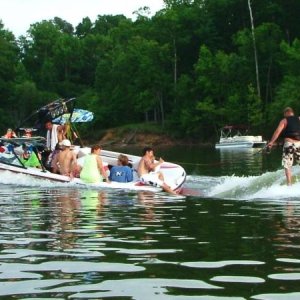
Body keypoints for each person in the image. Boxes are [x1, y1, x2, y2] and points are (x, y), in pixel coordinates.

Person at [268, 107, 300, 185]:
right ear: (292, 113)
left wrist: (271, 142)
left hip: (289, 144)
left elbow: (277, 132)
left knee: (288, 165)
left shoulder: (284, 120)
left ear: (286, 113)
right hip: (299, 144)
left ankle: (289, 185)